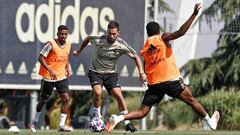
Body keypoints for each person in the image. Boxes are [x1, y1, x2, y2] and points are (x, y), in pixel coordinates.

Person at [105, 3, 220, 133]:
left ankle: (119, 118)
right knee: (192, 100)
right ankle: (210, 122)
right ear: (158, 31)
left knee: (142, 112)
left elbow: (144, 64)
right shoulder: (163, 37)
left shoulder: (145, 47)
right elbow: (181, 32)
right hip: (171, 80)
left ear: (148, 33)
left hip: (155, 85)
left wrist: (144, 77)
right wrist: (194, 14)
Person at [73, 21, 147, 132]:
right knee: (98, 93)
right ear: (107, 31)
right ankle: (98, 118)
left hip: (111, 74)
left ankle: (127, 123)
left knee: (119, 95)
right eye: (110, 33)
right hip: (95, 72)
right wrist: (79, 51)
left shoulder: (121, 44)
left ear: (118, 33)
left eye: (114, 34)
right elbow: (87, 38)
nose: (111, 36)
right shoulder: (99, 39)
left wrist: (141, 73)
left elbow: (136, 56)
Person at [30, 25, 73, 132]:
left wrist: (67, 68)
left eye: (65, 34)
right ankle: (34, 123)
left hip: (61, 76)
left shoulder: (68, 45)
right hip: (49, 77)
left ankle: (62, 125)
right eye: (61, 34)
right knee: (43, 100)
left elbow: (66, 57)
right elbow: (40, 57)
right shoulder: (51, 44)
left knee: (66, 98)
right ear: (57, 34)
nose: (63, 36)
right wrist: (50, 70)